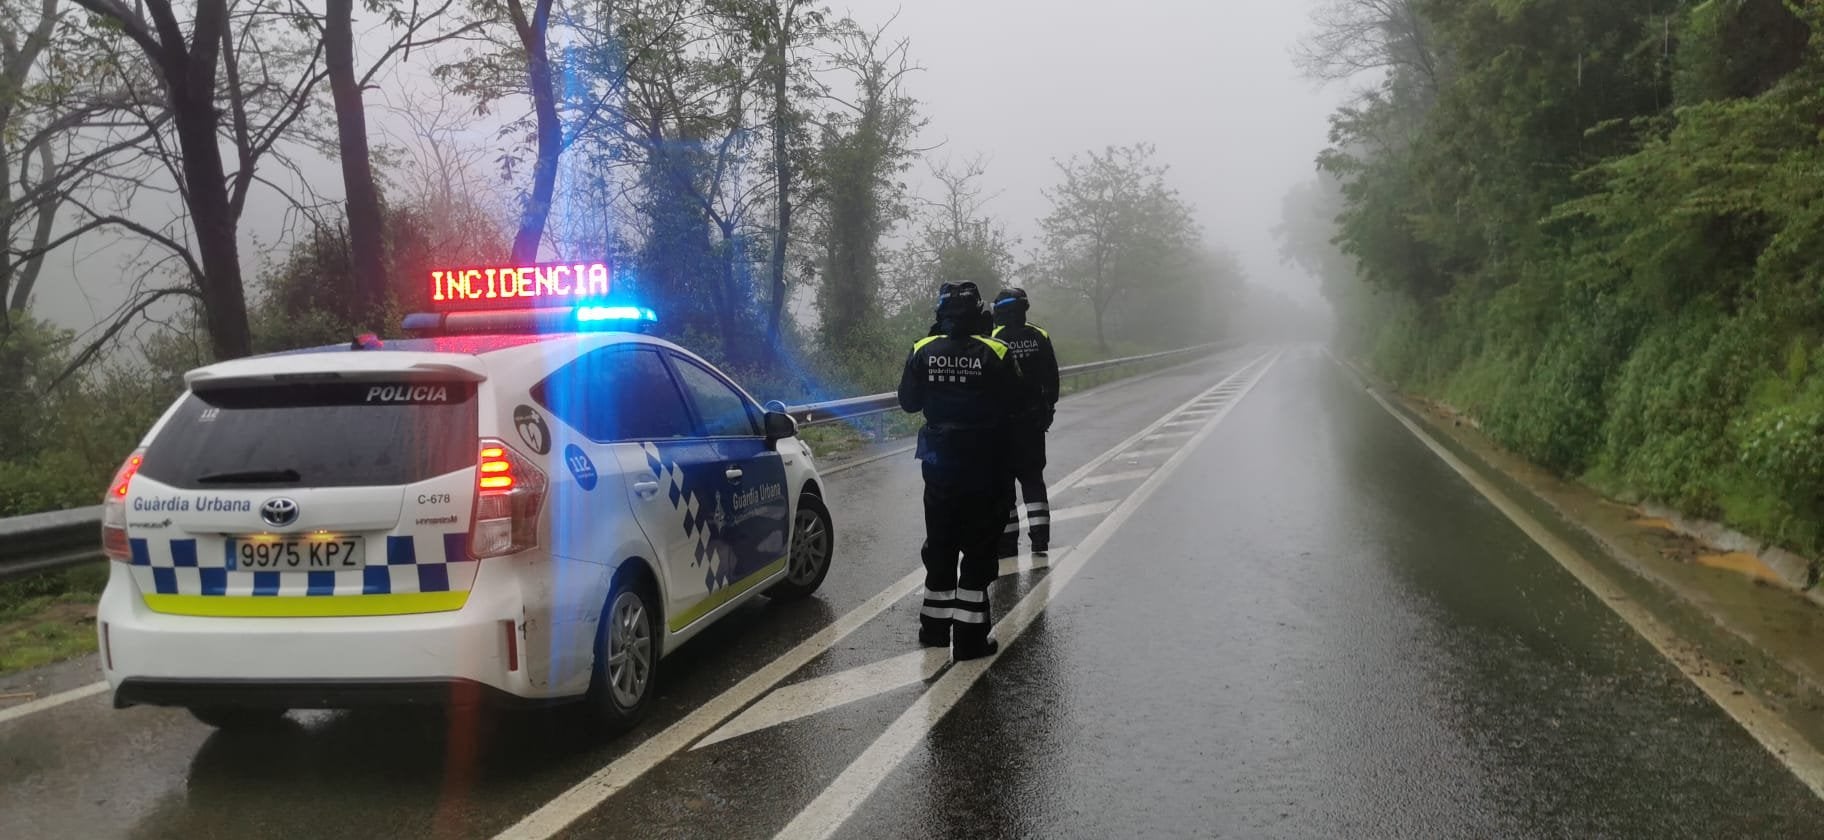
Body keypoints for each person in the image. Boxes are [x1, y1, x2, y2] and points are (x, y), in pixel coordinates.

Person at [898, 281, 1023, 660]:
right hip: (985, 464)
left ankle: (933, 630)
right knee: (979, 548)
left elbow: (908, 402)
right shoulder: (997, 351)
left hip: (938, 463)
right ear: (979, 313)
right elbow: (1016, 403)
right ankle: (969, 641)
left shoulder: (922, 349)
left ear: (941, 313)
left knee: (940, 542)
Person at [991, 288, 1060, 558]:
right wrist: (1048, 409)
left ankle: (1007, 545)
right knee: (1033, 481)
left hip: (1002, 427)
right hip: (1032, 424)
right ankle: (1040, 541)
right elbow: (1052, 377)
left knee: (1004, 486)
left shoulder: (994, 338)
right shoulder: (1039, 335)